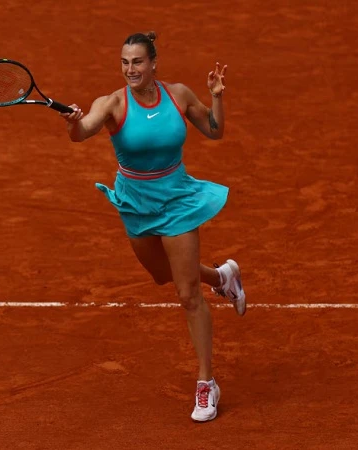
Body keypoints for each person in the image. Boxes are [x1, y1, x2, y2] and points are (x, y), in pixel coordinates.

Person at [59, 31, 246, 423]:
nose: (131, 69)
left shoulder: (178, 95)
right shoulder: (112, 103)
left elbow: (215, 130)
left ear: (153, 63)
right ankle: (222, 277)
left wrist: (216, 96)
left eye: (138, 62)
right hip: (136, 203)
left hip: (177, 199)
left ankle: (206, 383)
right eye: (125, 62)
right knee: (163, 275)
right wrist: (73, 122)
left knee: (187, 294)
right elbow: (83, 133)